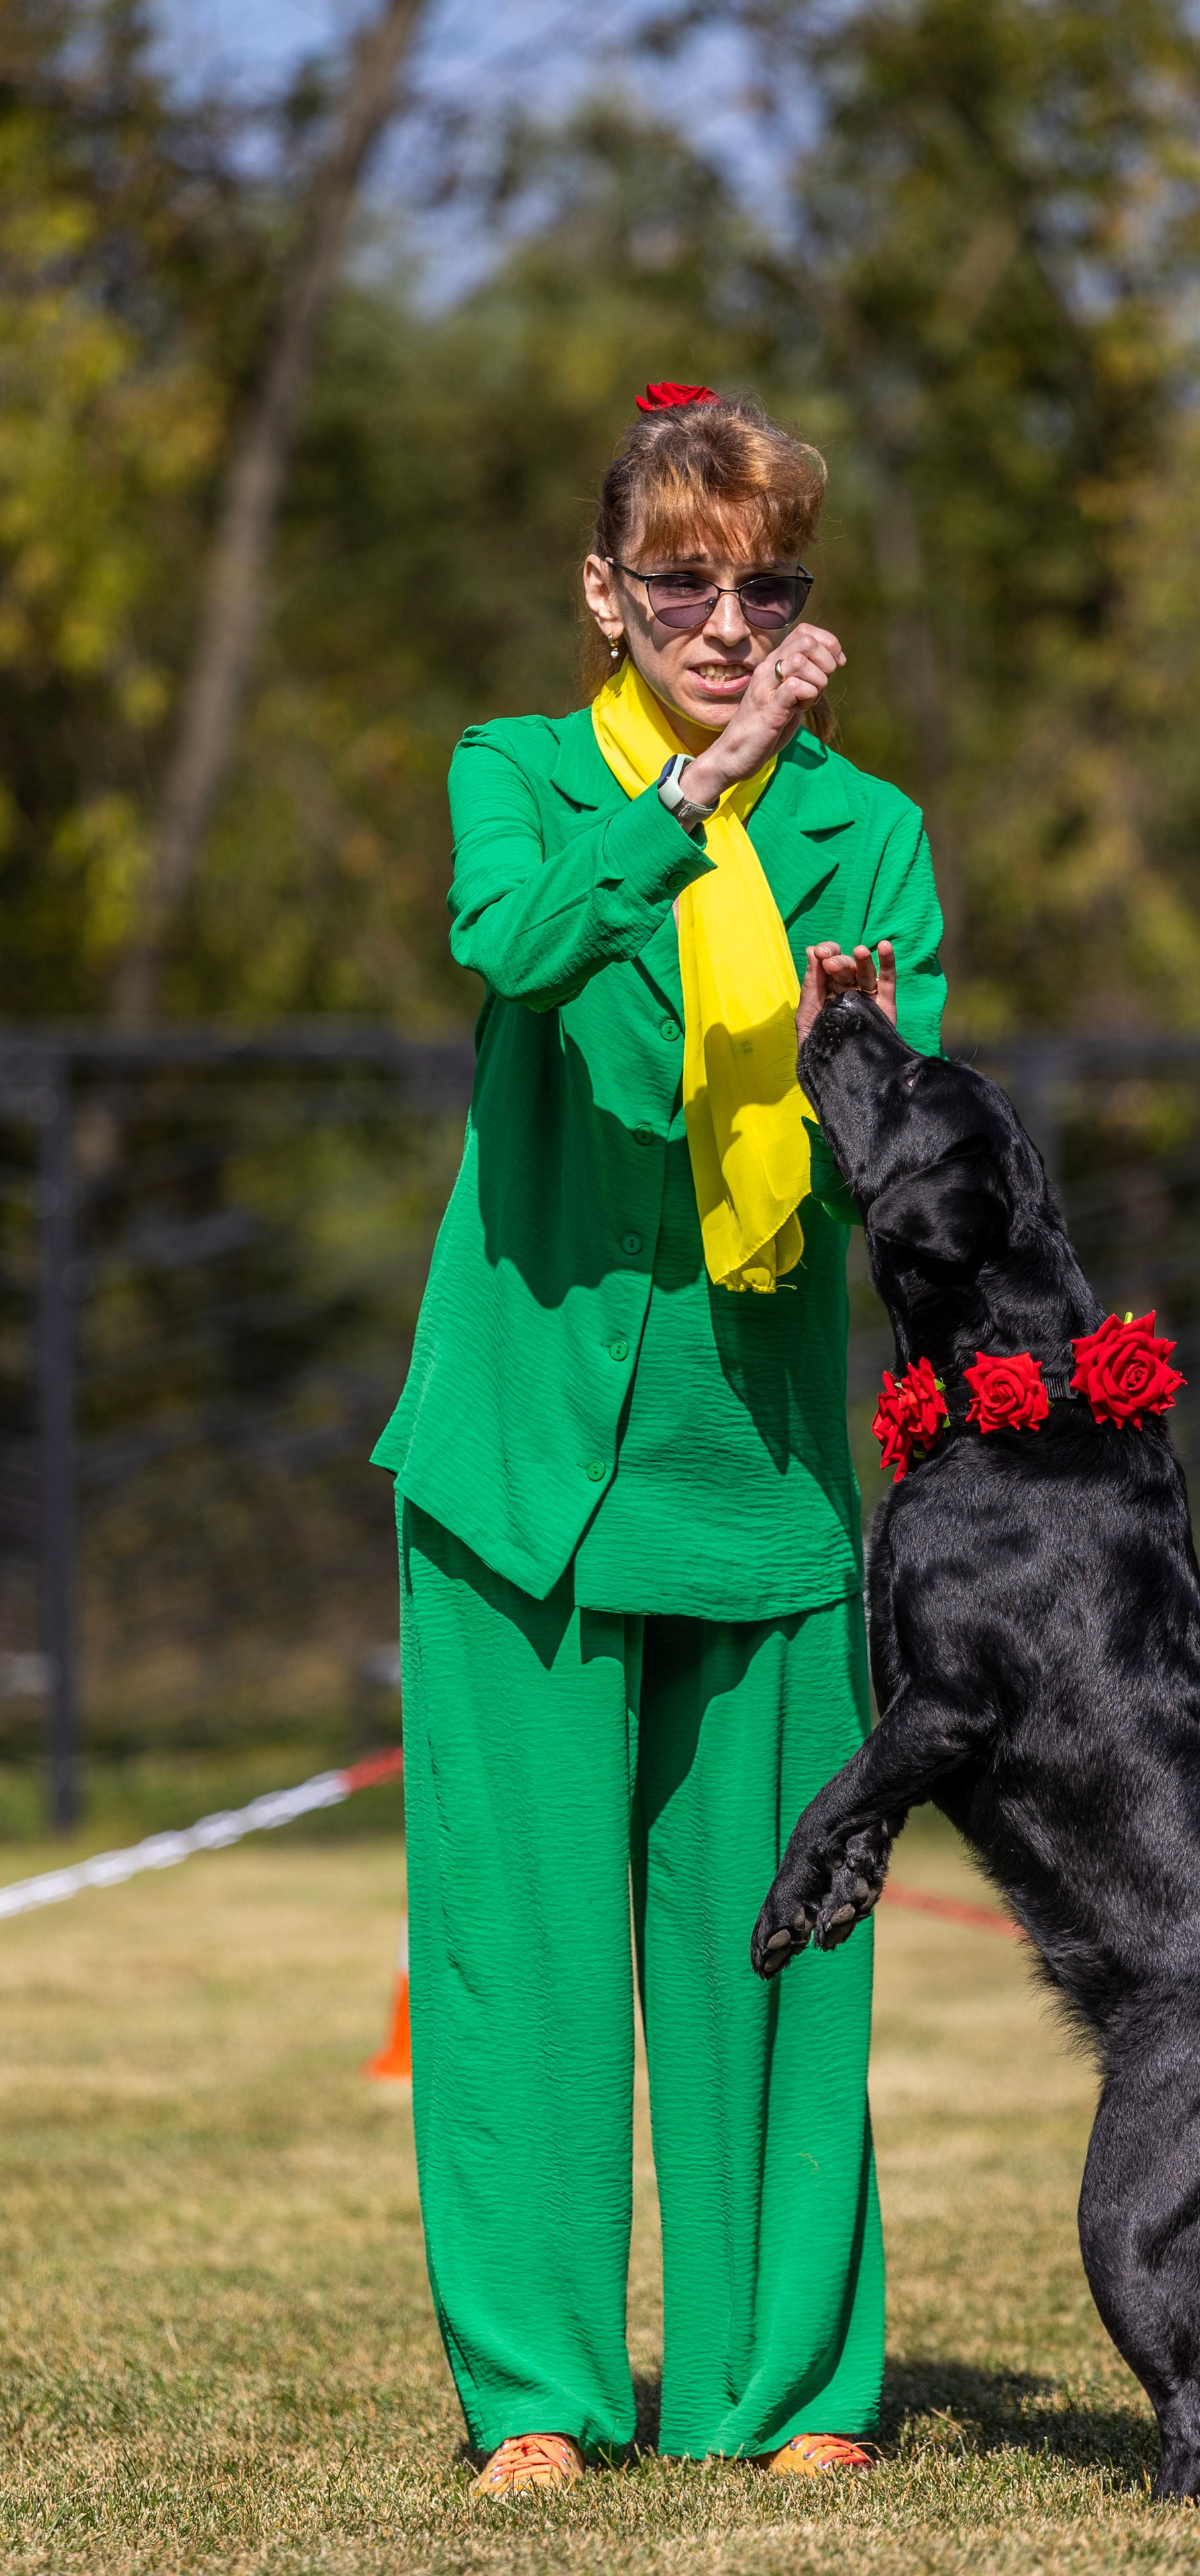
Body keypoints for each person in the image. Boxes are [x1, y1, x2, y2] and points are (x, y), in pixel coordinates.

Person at [372, 382, 946, 2493]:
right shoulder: (518, 775)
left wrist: (855, 1054)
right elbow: (518, 948)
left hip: (766, 1472)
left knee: (779, 1945)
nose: (727, 614)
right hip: (519, 1466)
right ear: (605, 594)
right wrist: (700, 792)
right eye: (686, 580)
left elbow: (917, 1131)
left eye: (768, 581)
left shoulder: (866, 827)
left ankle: (786, 2392)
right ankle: (537, 2398)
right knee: (517, 1957)